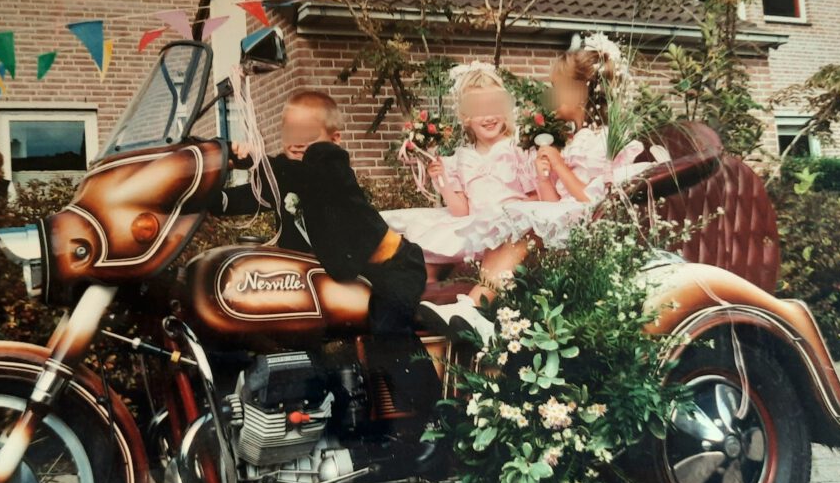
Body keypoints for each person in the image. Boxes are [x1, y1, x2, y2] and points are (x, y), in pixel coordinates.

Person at [385, 40, 654, 345]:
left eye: (558, 88)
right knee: (508, 222)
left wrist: (553, 166)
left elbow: (590, 198)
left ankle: (474, 308)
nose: (551, 96)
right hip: (561, 214)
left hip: (582, 221)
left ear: (581, 92)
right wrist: (545, 175)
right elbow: (552, 199)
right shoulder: (575, 138)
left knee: (517, 217)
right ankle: (462, 309)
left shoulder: (600, 139)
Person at [215, 90, 443, 421]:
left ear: (334, 139)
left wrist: (257, 158)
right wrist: (204, 185)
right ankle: (324, 411)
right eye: (290, 131)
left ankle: (432, 419)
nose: (297, 140)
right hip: (341, 278)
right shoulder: (286, 175)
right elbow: (241, 198)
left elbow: (307, 176)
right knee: (298, 330)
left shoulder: (331, 167)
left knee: (388, 327)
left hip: (393, 269)